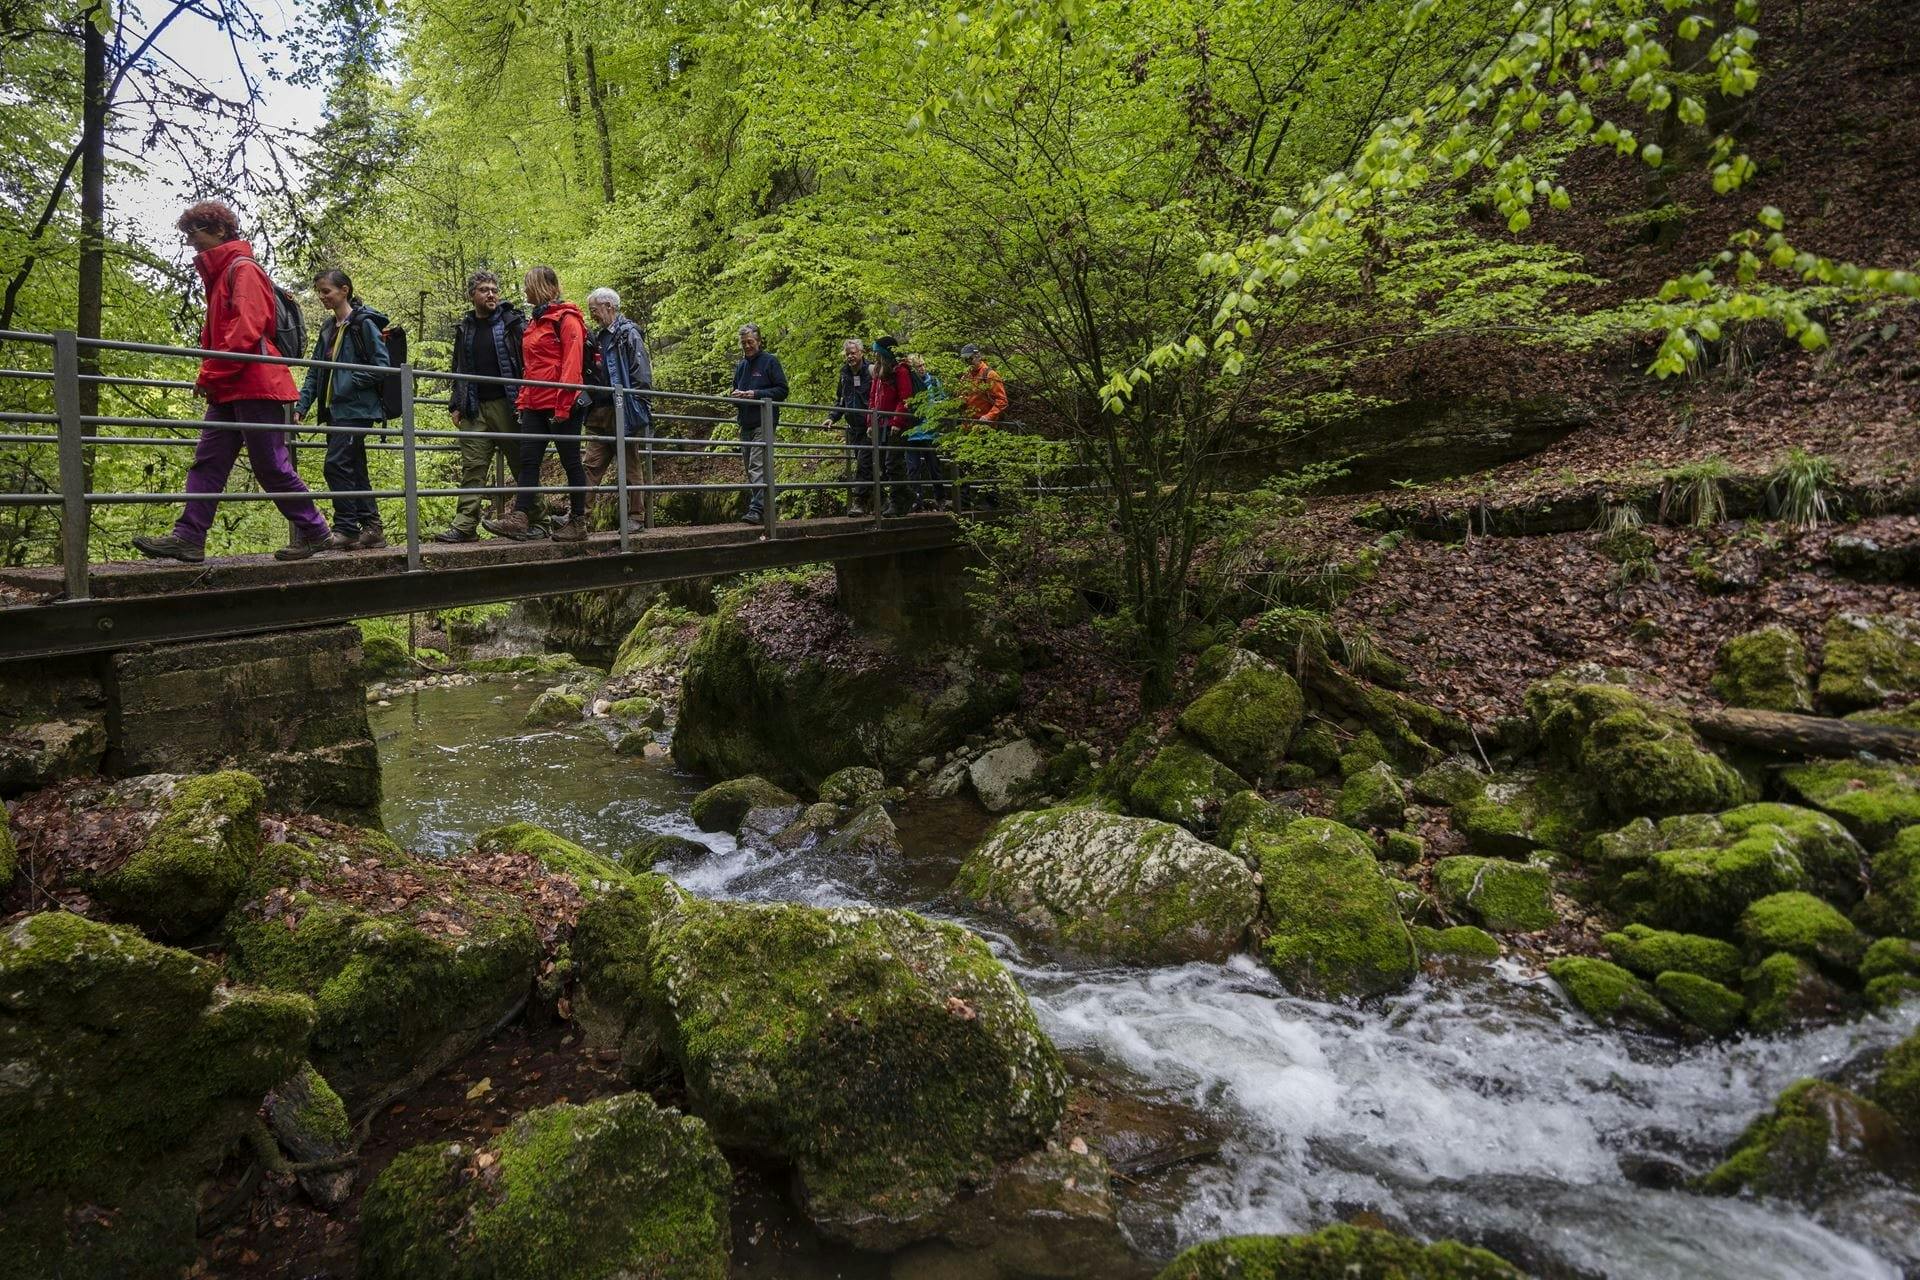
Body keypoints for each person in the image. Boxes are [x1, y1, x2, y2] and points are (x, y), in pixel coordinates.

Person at [133, 200, 332, 564]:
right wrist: (212, 376)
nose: (191, 242)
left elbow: (245, 332)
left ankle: (316, 531)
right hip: (228, 385)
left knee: (271, 465)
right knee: (208, 462)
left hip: (257, 383)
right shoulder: (220, 274)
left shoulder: (243, 270)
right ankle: (188, 537)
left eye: (195, 233)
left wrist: (209, 374)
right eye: (187, 235)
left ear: (220, 230)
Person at [487, 266, 589, 542]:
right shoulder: (535, 322)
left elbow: (571, 365)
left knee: (570, 462)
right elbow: (530, 367)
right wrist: (523, 400)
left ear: (543, 287)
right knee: (528, 460)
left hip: (561, 404)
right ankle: (520, 517)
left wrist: (563, 404)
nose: (525, 290)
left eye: (528, 285)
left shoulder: (567, 319)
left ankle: (578, 521)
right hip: (534, 402)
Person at [293, 269, 391, 550]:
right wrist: (302, 405)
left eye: (327, 291)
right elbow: (316, 371)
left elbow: (382, 367)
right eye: (319, 292)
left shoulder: (363, 324)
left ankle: (346, 527)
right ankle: (373, 529)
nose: (322, 297)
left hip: (357, 409)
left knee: (335, 464)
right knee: (354, 467)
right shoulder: (328, 328)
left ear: (344, 290)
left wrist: (346, 382)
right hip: (335, 410)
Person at [435, 271, 525, 543]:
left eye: (494, 290)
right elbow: (458, 368)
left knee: (522, 464)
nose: (491, 294)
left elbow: (524, 363)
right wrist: (456, 404)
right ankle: (464, 526)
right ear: (472, 295)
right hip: (474, 407)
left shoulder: (512, 323)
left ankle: (537, 519)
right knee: (472, 467)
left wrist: (527, 400)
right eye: (484, 290)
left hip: (509, 405)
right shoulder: (466, 328)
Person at [582, 287, 652, 532]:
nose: (593, 316)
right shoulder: (597, 337)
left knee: (630, 464)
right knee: (590, 466)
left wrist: (635, 406)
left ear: (609, 306)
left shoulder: (628, 334)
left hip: (622, 409)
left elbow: (641, 375)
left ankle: (636, 517)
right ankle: (580, 517)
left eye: (595, 310)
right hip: (599, 411)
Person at [728, 323, 787, 525]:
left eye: (750, 342)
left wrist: (756, 394)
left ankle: (756, 509)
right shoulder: (741, 366)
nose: (746, 346)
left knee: (756, 465)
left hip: (764, 421)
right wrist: (736, 396)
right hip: (745, 423)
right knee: (750, 467)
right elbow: (735, 390)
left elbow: (782, 390)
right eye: (743, 343)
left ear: (759, 341)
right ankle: (766, 507)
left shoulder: (770, 362)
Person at [824, 338, 873, 516]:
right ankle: (878, 501)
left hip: (870, 426)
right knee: (866, 465)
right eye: (848, 353)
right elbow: (841, 401)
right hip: (854, 428)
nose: (850, 356)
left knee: (864, 464)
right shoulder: (844, 374)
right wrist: (832, 418)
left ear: (861, 353)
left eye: (853, 353)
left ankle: (859, 503)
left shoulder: (871, 371)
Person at [866, 336, 914, 518]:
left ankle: (897, 501)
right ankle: (906, 495)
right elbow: (873, 398)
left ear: (885, 352)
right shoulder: (878, 371)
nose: (875, 355)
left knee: (893, 462)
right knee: (886, 464)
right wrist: (870, 421)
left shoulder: (900, 371)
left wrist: (897, 421)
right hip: (881, 423)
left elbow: (905, 397)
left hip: (895, 424)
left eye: (877, 351)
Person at [903, 352, 948, 510]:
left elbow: (944, 401)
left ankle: (941, 498)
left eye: (923, 365)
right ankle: (916, 500)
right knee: (913, 469)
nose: (922, 368)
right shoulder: (908, 383)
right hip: (912, 433)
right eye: (918, 366)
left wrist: (937, 406)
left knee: (934, 467)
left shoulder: (934, 382)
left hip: (930, 431)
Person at [958, 344, 1007, 425]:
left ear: (978, 356)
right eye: (965, 360)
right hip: (967, 424)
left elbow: (1002, 400)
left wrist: (988, 416)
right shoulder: (966, 376)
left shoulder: (990, 375)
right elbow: (961, 396)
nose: (968, 362)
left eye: (970, 359)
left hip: (985, 425)